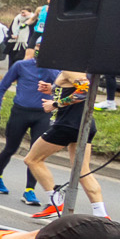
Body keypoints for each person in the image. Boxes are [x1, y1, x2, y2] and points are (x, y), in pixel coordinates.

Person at [27, 73, 105, 219]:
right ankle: (102, 215)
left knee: (32, 159)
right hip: (84, 124)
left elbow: (84, 91)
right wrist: (52, 89)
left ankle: (55, 203)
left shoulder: (71, 67)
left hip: (68, 125)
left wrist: (55, 104)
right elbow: (73, 88)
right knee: (82, 172)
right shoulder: (73, 68)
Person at [0, 54, 59, 200]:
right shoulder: (21, 65)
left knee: (35, 155)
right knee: (11, 148)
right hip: (20, 113)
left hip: (42, 115)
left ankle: (29, 190)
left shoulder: (54, 70)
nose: (41, 51)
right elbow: (1, 88)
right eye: (39, 47)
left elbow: (61, 90)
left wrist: (50, 67)